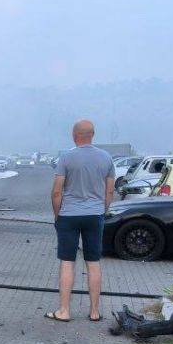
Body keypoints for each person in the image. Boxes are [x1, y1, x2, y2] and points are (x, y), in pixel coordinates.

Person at [45, 119, 114, 323]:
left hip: (69, 216)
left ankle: (64, 311)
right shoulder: (106, 158)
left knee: (67, 262)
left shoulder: (66, 158)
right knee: (93, 262)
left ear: (75, 136)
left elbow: (57, 191)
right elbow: (109, 190)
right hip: (94, 216)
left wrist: (58, 215)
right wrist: (102, 211)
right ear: (92, 135)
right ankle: (94, 312)